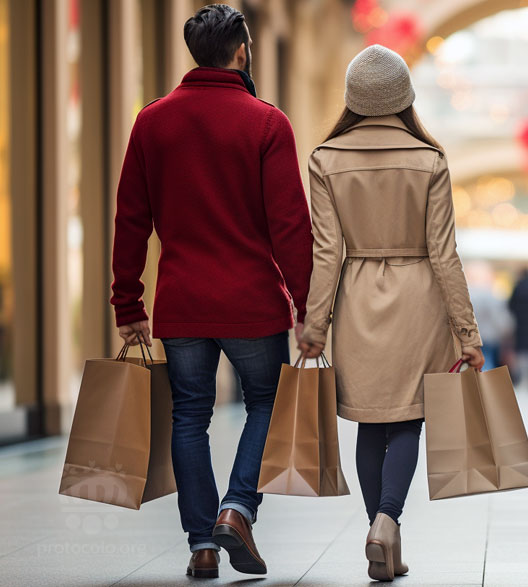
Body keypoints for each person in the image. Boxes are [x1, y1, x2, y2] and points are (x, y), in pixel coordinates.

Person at [110, 5, 312, 579]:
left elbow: (131, 220)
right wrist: (307, 305)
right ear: (242, 52)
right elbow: (289, 226)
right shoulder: (267, 123)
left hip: (182, 302)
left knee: (189, 416)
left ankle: (202, 543)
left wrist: (128, 302)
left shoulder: (152, 122)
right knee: (267, 403)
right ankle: (237, 508)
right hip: (252, 303)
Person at [297, 45, 484, 582]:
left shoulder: (325, 159)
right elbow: (444, 254)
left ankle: (383, 537)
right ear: (405, 97)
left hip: (357, 305)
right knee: (408, 418)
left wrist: (315, 327)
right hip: (419, 302)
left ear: (353, 97)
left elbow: (326, 252)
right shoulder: (430, 160)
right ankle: (387, 524)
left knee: (368, 422)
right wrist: (466, 333)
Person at [467, 262, 511, 371]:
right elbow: (499, 318)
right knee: (487, 364)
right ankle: (485, 387)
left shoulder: (468, 294)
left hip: (472, 337)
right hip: (489, 337)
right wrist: (505, 332)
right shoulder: (490, 294)